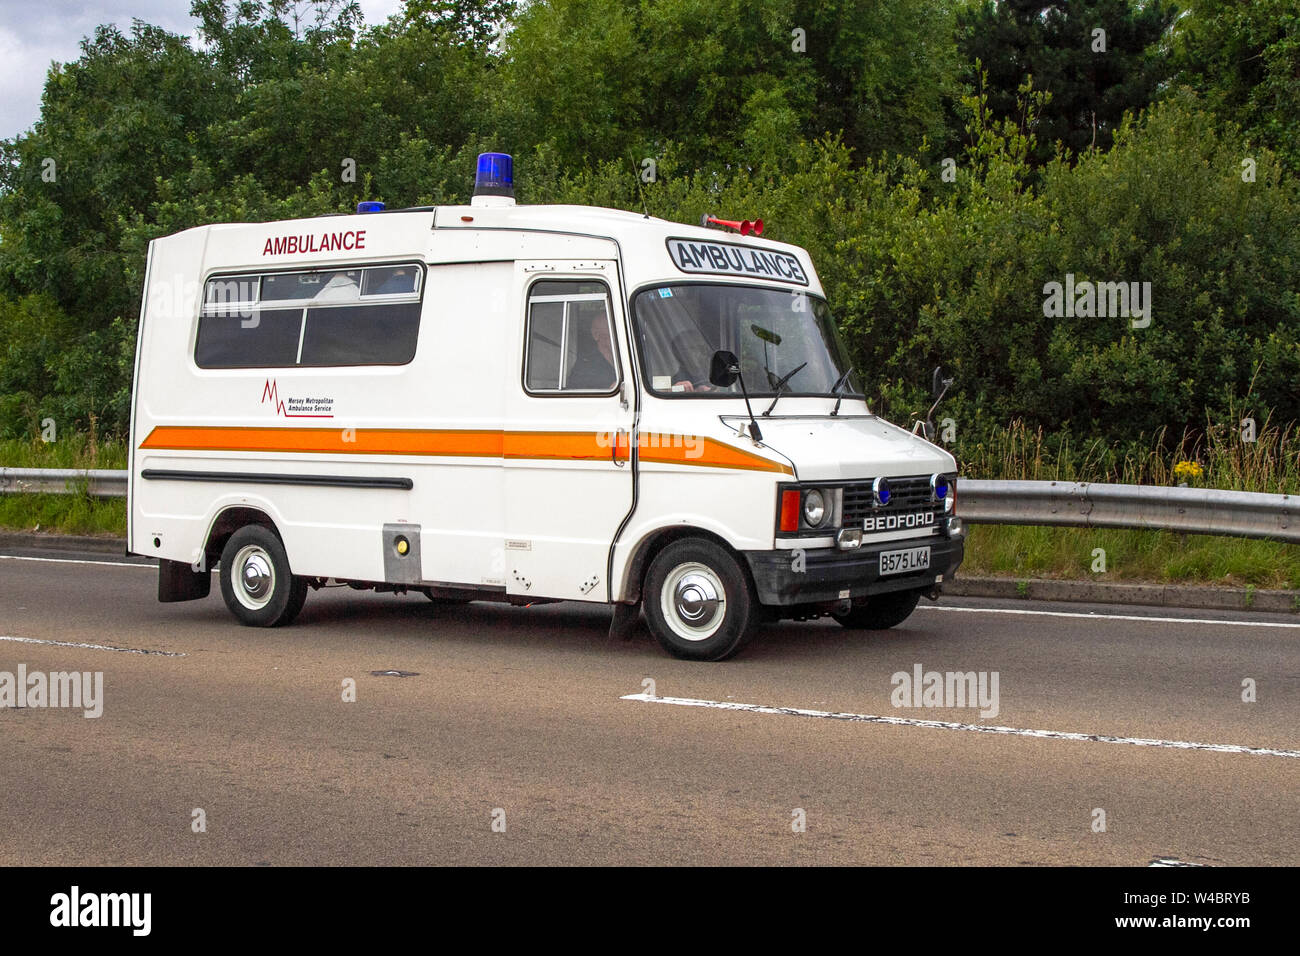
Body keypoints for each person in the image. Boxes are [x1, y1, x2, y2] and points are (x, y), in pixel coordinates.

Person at [566, 314, 618, 390]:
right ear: (596, 335)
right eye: (610, 333)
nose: (616, 337)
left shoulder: (624, 359)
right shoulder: (584, 367)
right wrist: (609, 391)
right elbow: (575, 396)